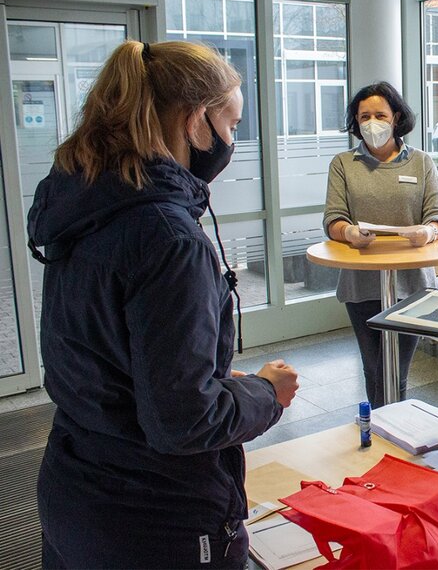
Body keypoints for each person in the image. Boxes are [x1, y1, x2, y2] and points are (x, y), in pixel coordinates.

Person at [27, 39, 300, 568]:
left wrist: (208, 378)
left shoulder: (84, 205)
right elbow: (183, 422)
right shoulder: (169, 237)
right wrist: (267, 393)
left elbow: (112, 360)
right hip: (156, 516)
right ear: (196, 121)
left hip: (75, 488)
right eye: (232, 126)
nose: (231, 141)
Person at [323, 81, 438, 409]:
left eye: (380, 114)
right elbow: (333, 220)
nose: (372, 123)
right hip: (361, 283)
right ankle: (382, 430)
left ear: (396, 117)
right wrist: (349, 233)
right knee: (374, 367)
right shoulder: (342, 164)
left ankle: (389, 431)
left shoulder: (421, 162)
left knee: (397, 371)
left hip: (412, 284)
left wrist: (429, 232)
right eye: (364, 116)